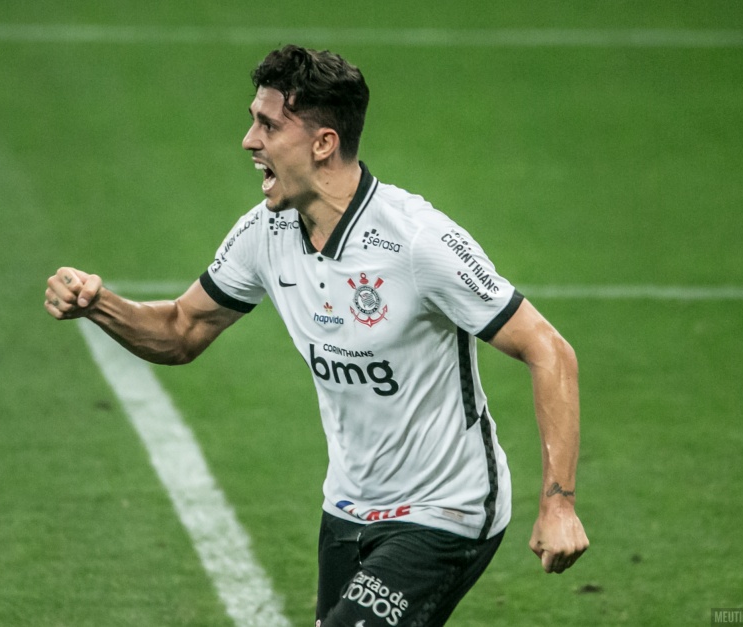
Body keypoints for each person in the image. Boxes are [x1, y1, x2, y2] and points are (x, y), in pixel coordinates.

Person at [45, 44, 588, 626]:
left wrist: (558, 505)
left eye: (268, 125)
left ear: (324, 143)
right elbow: (182, 328)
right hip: (347, 509)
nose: (249, 141)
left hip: (445, 511)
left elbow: (549, 349)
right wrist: (100, 306)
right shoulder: (266, 233)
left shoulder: (417, 242)